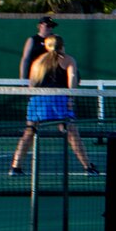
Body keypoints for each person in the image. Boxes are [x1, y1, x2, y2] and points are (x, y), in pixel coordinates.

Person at [9, 34, 98, 176]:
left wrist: (32, 101)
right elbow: (72, 81)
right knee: (72, 133)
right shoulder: (68, 60)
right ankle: (88, 167)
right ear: (62, 45)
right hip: (59, 100)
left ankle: (15, 167)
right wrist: (71, 99)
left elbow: (31, 84)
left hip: (37, 100)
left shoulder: (37, 61)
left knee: (29, 132)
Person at [17, 16, 56, 80]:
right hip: (34, 76)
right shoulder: (32, 40)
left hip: (50, 77)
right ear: (40, 26)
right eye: (48, 26)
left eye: (52, 26)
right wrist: (23, 78)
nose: (50, 28)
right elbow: (25, 59)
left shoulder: (55, 40)